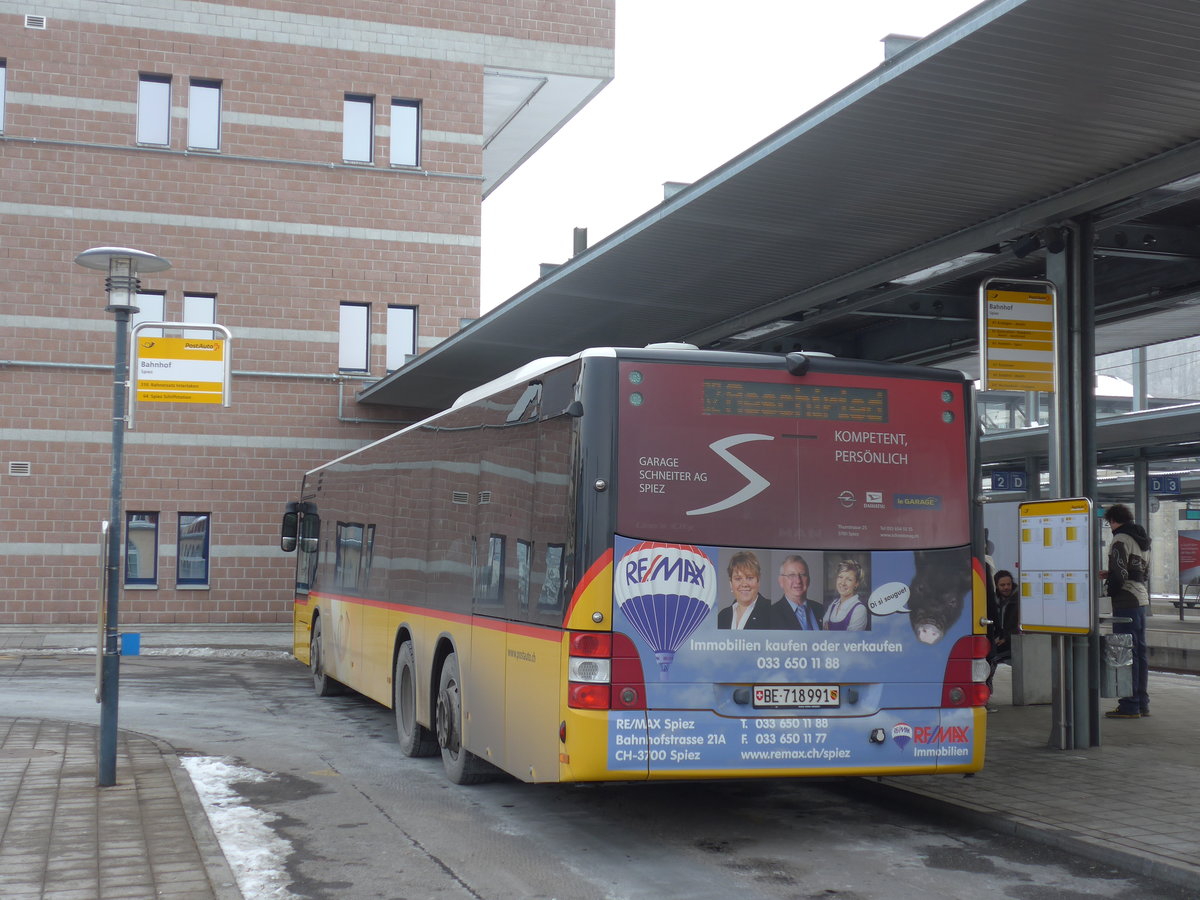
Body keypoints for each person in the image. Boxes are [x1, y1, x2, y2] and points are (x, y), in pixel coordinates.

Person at [1102, 503, 1152, 719]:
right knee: (1139, 652)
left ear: (1113, 520)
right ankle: (1142, 702)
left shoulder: (1120, 539)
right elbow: (1143, 572)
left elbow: (1120, 573)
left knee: (1125, 652)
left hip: (1125, 600)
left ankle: (1129, 705)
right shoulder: (1144, 541)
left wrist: (1109, 589)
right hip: (1141, 597)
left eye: (1109, 522)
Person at [717, 551, 773, 630]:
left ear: (758, 580)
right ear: (731, 583)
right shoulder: (722, 616)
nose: (744, 584)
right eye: (738, 579)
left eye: (749, 578)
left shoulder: (772, 612)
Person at [770, 554, 824, 630]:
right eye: (791, 575)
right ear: (781, 581)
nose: (798, 581)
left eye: (802, 575)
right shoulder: (771, 615)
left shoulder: (822, 610)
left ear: (808, 579)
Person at [823, 559, 870, 631]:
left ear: (856, 584)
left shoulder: (859, 610)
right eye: (840, 577)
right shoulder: (833, 604)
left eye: (849, 579)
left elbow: (849, 640)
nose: (843, 583)